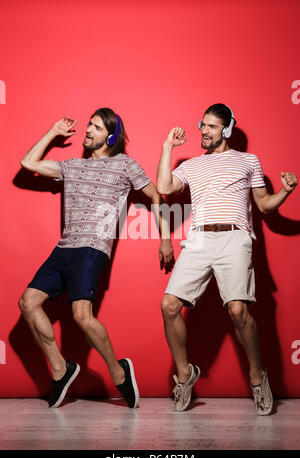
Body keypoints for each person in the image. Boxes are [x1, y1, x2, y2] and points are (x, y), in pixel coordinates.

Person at [19, 108, 174, 408]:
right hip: (63, 248)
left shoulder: (125, 165)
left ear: (111, 136)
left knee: (81, 317)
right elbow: (28, 163)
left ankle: (119, 373)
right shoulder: (72, 166)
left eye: (96, 127)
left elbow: (155, 195)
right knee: (28, 302)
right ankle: (61, 370)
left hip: (92, 248)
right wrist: (53, 131)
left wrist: (164, 238)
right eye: (89, 125)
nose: (88, 130)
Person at [156, 103, 298, 415]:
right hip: (200, 238)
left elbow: (264, 205)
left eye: (210, 126)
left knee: (238, 311)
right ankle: (184, 375)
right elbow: (165, 187)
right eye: (202, 125)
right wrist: (168, 145)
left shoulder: (249, 161)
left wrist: (285, 192)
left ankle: (257, 376)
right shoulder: (193, 165)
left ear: (227, 129)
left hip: (235, 237)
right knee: (169, 305)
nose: (203, 131)